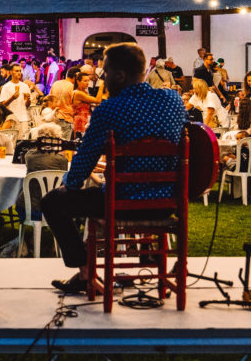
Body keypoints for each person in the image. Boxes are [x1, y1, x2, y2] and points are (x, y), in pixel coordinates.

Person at [40, 42, 186, 294]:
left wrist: (69, 185)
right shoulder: (172, 100)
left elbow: (82, 164)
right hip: (167, 202)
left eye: (105, 73)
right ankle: (150, 258)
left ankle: (86, 274)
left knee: (52, 202)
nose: (102, 79)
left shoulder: (110, 109)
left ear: (119, 75)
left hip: (120, 202)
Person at [0, 63, 32, 136]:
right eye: (16, 71)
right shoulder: (6, 87)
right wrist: (12, 98)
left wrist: (28, 100)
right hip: (11, 119)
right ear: (11, 72)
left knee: (23, 143)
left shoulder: (25, 86)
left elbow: (27, 105)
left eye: (20, 71)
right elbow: (2, 105)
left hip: (24, 118)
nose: (19, 73)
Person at [71, 71, 103, 136]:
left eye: (88, 81)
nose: (87, 83)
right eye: (85, 81)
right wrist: (101, 86)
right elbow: (97, 100)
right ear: (78, 81)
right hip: (80, 121)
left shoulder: (85, 92)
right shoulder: (78, 93)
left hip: (85, 120)